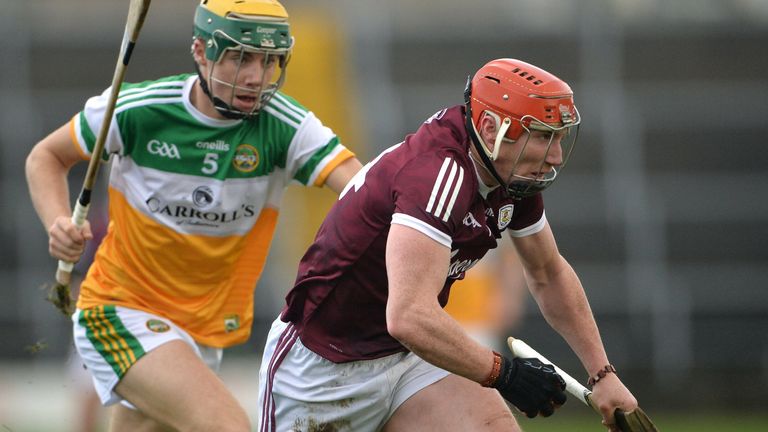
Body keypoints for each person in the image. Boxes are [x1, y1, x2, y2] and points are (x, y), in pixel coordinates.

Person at [25, 0, 362, 430]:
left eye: (268, 60)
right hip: (119, 311)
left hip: (203, 328)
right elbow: (46, 157)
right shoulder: (138, 111)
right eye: (240, 58)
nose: (256, 77)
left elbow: (362, 191)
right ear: (202, 52)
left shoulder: (286, 126)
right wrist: (58, 220)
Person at [258, 58, 639, 432]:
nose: (555, 156)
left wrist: (601, 373)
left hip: (409, 359)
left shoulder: (509, 171)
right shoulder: (437, 175)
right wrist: (505, 375)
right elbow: (409, 316)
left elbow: (547, 271)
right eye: (542, 136)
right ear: (491, 128)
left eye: (558, 138)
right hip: (324, 369)